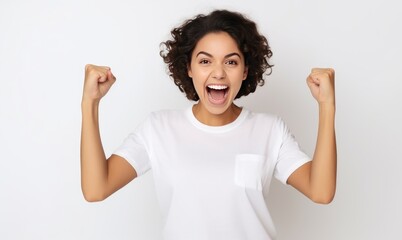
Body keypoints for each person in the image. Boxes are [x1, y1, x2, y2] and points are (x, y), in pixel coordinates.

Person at [80, 9, 336, 240]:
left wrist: (327, 106)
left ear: (245, 70)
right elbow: (96, 189)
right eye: (205, 61)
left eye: (231, 61)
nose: (218, 73)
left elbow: (321, 191)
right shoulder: (158, 128)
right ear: (189, 68)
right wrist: (90, 104)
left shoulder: (270, 130)